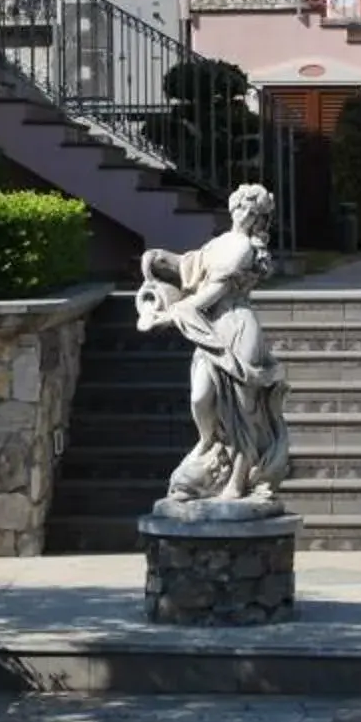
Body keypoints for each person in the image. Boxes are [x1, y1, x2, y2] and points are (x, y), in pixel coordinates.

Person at [136, 183, 290, 504]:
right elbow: (192, 267)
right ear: (233, 207)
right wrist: (161, 259)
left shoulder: (243, 250)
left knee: (243, 408)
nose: (245, 214)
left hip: (235, 327)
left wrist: (167, 316)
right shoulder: (219, 243)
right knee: (201, 398)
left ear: (260, 221)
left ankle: (237, 478)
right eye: (242, 206)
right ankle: (208, 444)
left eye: (254, 212)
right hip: (209, 326)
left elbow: (207, 296)